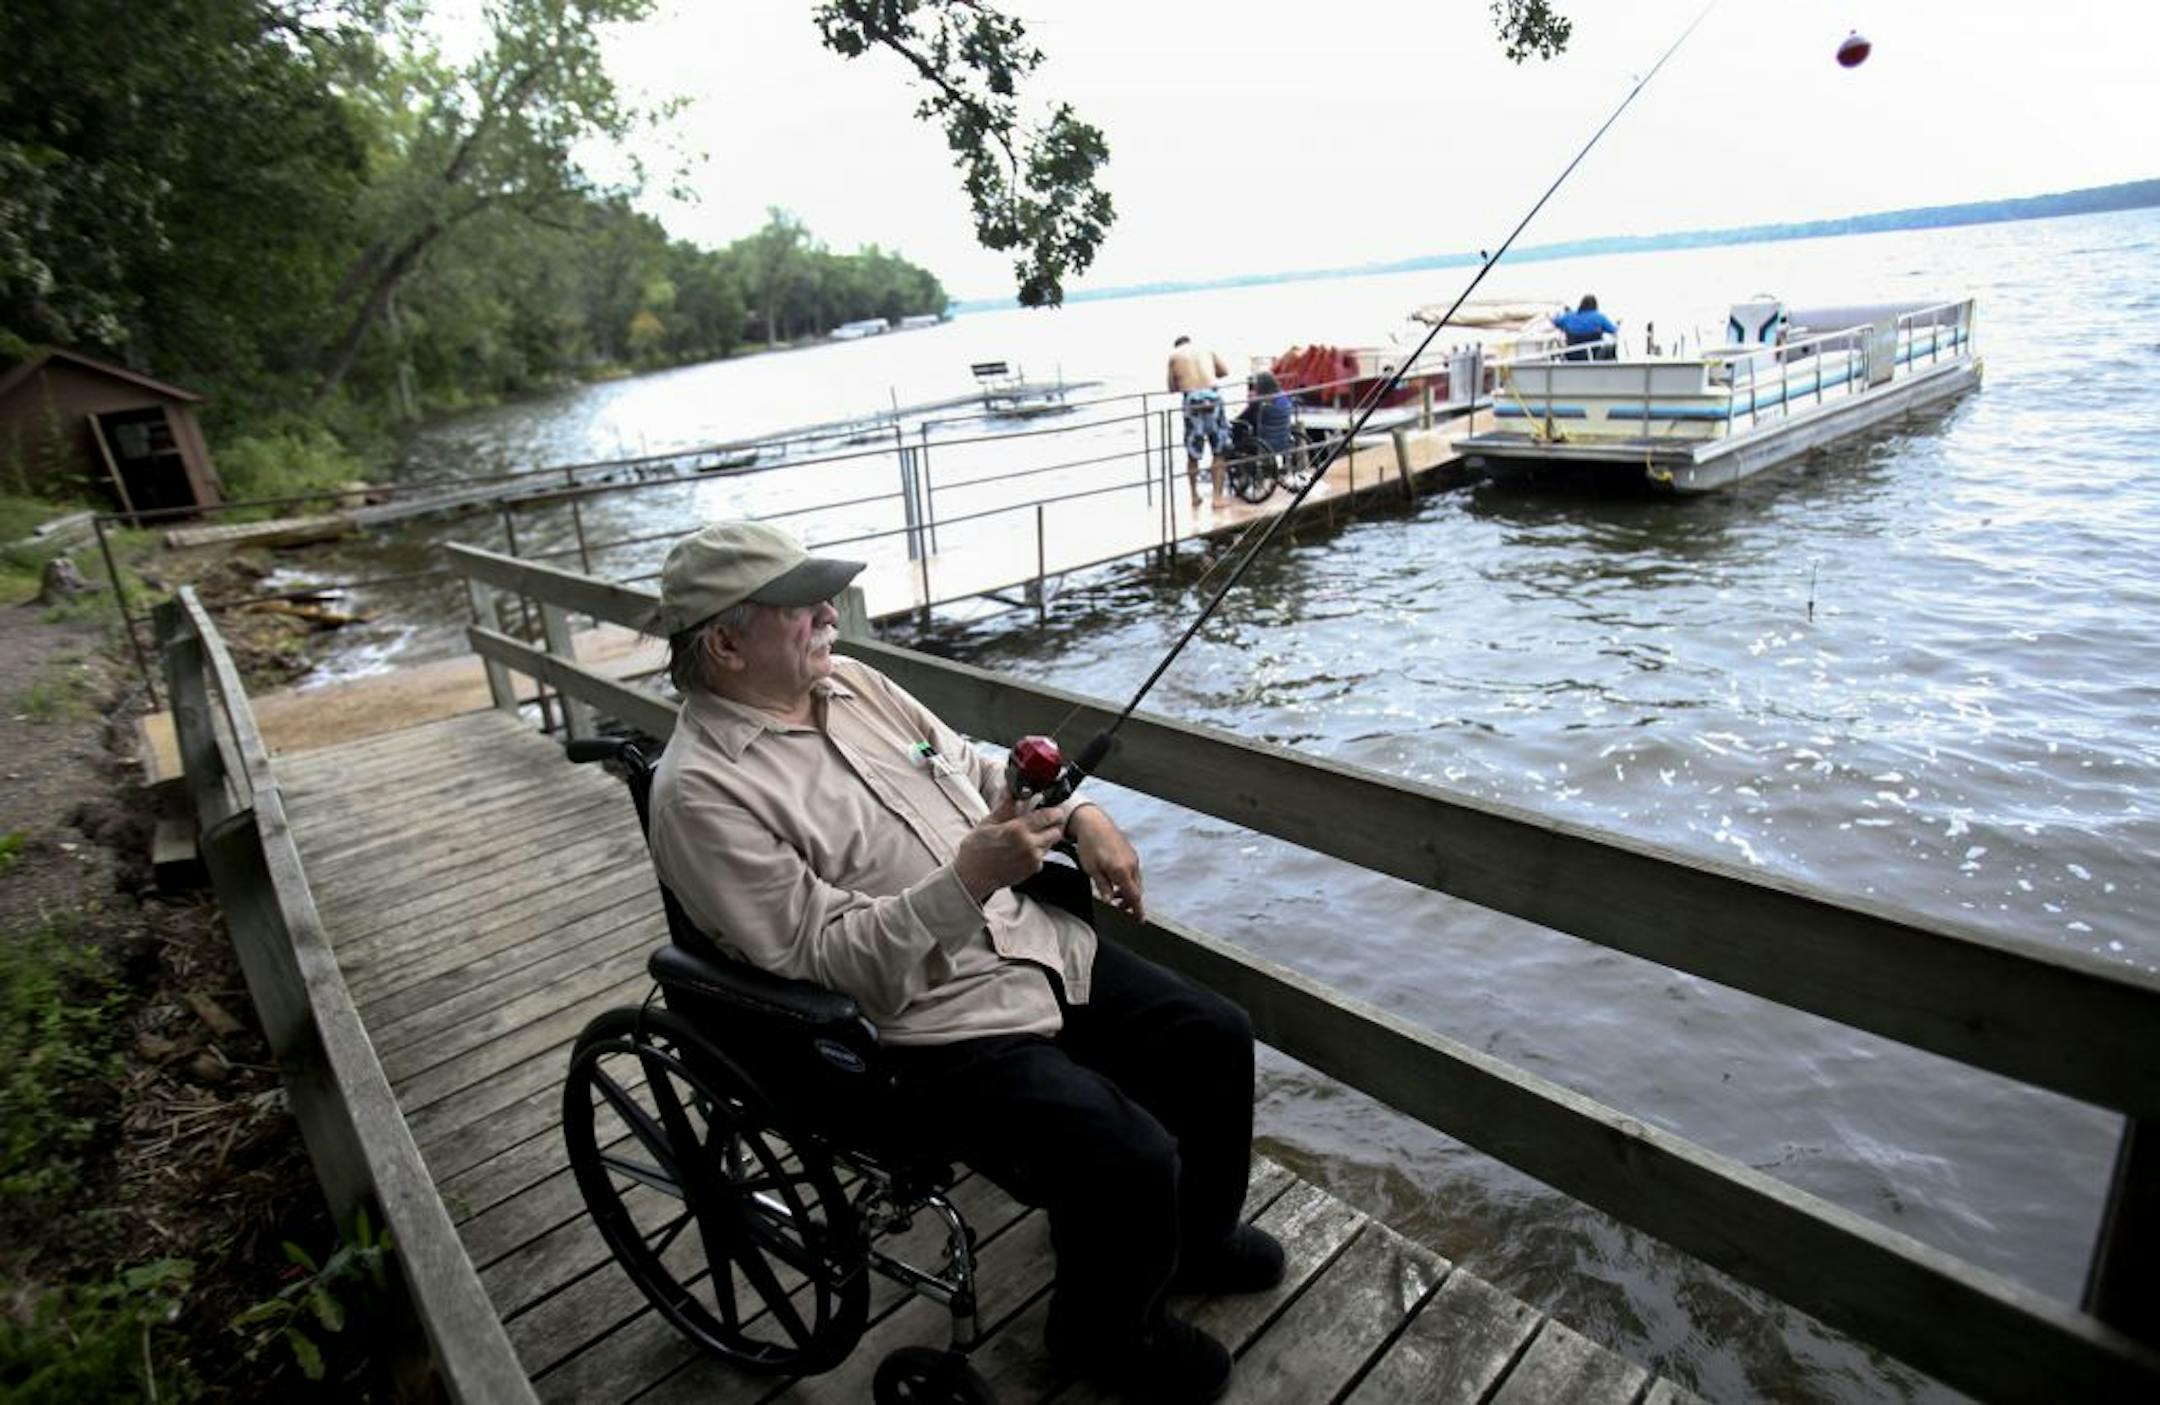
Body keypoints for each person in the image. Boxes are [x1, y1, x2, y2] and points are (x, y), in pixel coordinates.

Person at [645, 520, 1281, 1403]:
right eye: (802, 605)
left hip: (1027, 938)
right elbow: (829, 961)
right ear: (725, 640)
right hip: (918, 1028)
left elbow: (980, 774)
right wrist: (969, 878)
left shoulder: (855, 682)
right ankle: (1098, 1333)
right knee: (1128, 1157)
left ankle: (1198, 1238)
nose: (830, 612)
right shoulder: (700, 791)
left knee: (1214, 1034)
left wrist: (1078, 816)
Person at [1167, 334, 1232, 507]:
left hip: (1192, 400)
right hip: (1213, 397)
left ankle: (1194, 496)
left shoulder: (1174, 356)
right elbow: (1224, 372)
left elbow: (1172, 387)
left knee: (1193, 451)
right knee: (1219, 449)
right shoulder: (1206, 349)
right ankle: (1217, 498)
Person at [1553, 294, 1620, 361]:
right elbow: (1613, 330)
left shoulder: (1568, 316)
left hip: (1572, 356)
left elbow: (1555, 322)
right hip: (1594, 356)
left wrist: (1556, 315)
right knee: (1610, 347)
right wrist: (1618, 325)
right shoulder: (1599, 317)